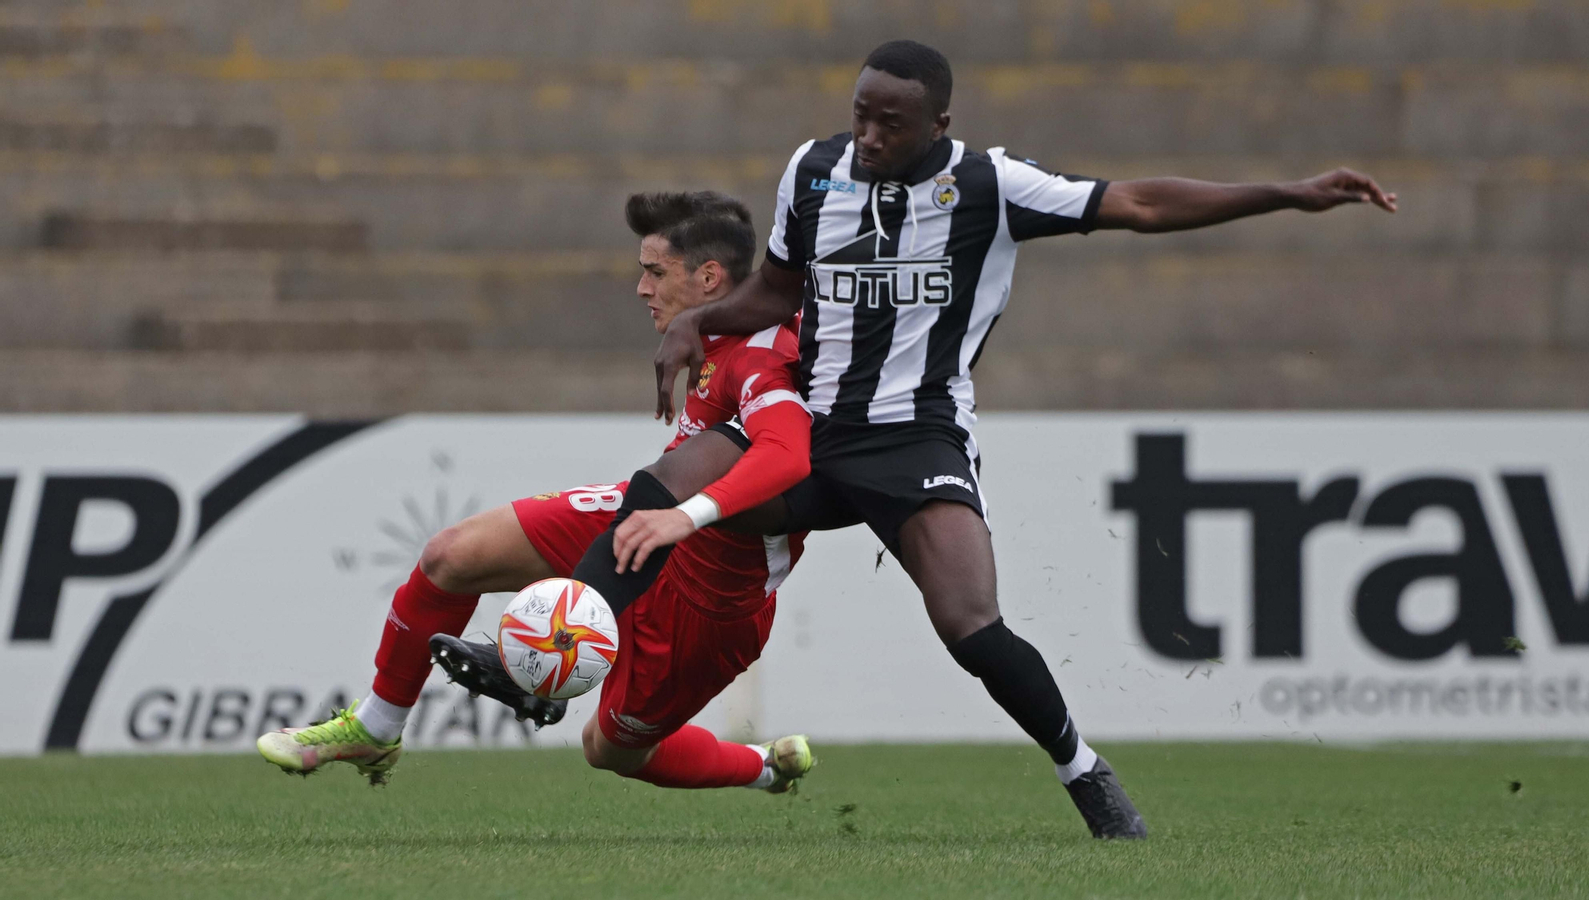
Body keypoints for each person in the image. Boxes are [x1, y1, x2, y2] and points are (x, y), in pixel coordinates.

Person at [649, 40, 1400, 839]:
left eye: (891, 124)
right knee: (673, 486)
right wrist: (699, 319)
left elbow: (1138, 204)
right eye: (861, 115)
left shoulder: (988, 185)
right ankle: (572, 642)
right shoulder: (813, 170)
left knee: (970, 624)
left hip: (918, 441)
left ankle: (1085, 774)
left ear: (939, 123)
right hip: (812, 428)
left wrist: (1288, 195)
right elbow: (775, 289)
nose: (870, 136)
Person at [257, 191, 818, 795]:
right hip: (644, 515)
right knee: (450, 556)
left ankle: (761, 768)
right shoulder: (717, 339)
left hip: (710, 597)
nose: (641, 288)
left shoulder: (764, 355)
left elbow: (788, 456)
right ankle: (375, 728)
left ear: (709, 277)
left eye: (655, 272)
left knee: (611, 749)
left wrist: (692, 516)